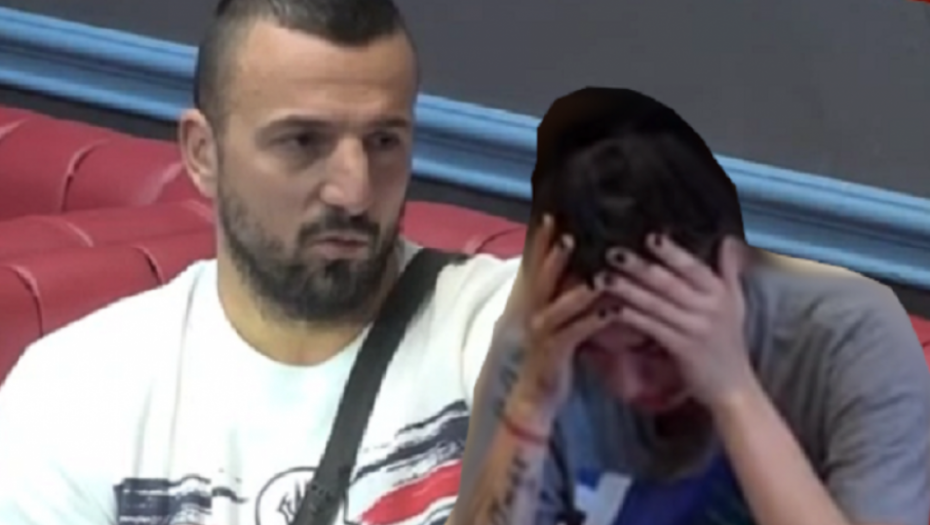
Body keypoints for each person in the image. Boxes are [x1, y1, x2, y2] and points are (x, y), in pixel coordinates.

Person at [0, 0, 518, 523]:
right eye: (303, 141)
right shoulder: (75, 399)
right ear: (204, 154)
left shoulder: (496, 319)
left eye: (383, 141)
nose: (355, 192)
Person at [451, 87, 930, 525]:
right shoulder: (550, 340)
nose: (627, 385)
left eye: (654, 348)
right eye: (594, 353)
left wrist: (733, 390)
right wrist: (532, 405)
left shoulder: (851, 342)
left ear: (731, 268)